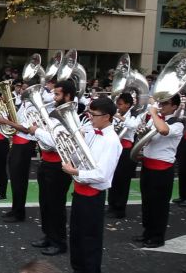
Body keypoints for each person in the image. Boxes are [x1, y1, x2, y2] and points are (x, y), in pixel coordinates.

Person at [61, 97, 122, 273]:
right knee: (76, 237)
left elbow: (102, 174)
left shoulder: (111, 141)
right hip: (80, 192)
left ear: (107, 117)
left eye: (93, 115)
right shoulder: (92, 131)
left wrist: (76, 172)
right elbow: (79, 157)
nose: (89, 118)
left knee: (90, 240)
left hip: (93, 196)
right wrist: (71, 152)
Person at [28, 80, 76, 256]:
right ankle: (48, 236)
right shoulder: (55, 113)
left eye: (57, 94)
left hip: (59, 165)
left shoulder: (69, 115)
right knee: (45, 203)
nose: (53, 97)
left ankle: (59, 242)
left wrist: (37, 131)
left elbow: (56, 141)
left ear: (68, 96)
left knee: (56, 205)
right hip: (47, 162)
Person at [132, 94, 184, 248]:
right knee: (147, 203)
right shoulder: (156, 119)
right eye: (160, 103)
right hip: (148, 166)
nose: (162, 105)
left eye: (166, 103)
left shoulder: (177, 124)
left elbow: (163, 130)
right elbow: (146, 136)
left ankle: (157, 237)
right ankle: (147, 232)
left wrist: (153, 112)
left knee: (159, 205)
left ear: (174, 107)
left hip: (162, 170)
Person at [0, 92, 37, 221]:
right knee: (15, 179)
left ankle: (19, 213)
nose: (21, 92)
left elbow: (27, 129)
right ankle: (15, 209)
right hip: (17, 143)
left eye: (24, 90)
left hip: (24, 145)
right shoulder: (23, 105)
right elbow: (17, 121)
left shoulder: (32, 107)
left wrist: (6, 121)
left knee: (20, 180)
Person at [107, 93, 140, 218]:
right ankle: (111, 205)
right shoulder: (117, 113)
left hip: (126, 150)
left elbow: (132, 126)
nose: (118, 106)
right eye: (117, 104)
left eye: (120, 104)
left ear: (128, 105)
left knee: (123, 180)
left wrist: (119, 117)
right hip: (114, 147)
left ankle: (120, 209)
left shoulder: (135, 115)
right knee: (113, 176)